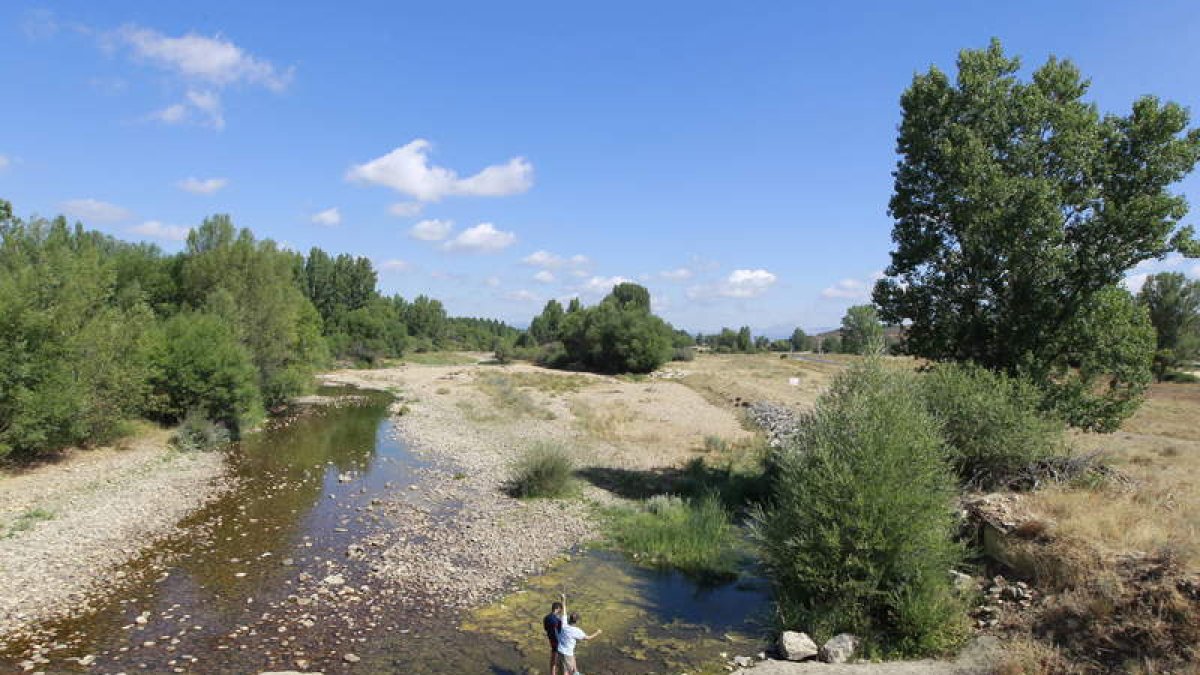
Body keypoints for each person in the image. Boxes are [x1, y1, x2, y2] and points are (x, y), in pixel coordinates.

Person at [556, 594, 601, 675]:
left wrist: (563, 600)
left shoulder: (564, 624)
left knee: (563, 669)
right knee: (569, 671)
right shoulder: (576, 631)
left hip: (559, 650)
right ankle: (575, 672)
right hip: (567, 653)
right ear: (576, 621)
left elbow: (564, 611)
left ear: (569, 619)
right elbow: (588, 638)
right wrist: (597, 632)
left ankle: (576, 672)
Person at [542, 595, 565, 675]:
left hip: (551, 640)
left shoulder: (546, 618)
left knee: (553, 658)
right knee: (563, 661)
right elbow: (561, 630)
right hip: (558, 642)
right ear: (557, 608)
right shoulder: (557, 620)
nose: (560, 611)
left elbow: (545, 628)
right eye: (560, 609)